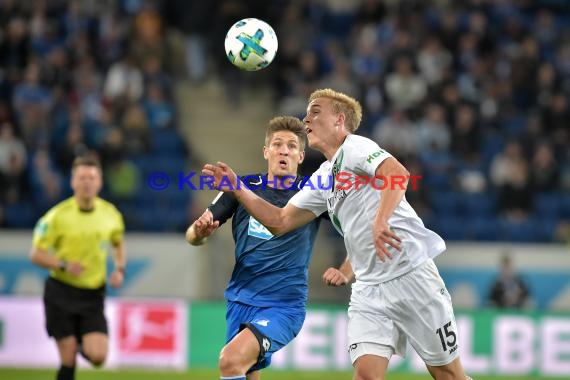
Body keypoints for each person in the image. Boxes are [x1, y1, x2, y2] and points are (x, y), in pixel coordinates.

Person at [203, 88, 473, 380]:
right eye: (306, 112)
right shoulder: (323, 177)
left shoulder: (355, 147)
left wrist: (381, 221)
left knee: (448, 375)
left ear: (339, 120)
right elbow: (279, 221)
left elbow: (397, 174)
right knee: (366, 376)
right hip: (369, 289)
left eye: (315, 111)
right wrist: (237, 188)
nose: (306, 118)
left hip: (409, 274)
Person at [186, 116, 333, 380]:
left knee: (230, 361)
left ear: (300, 156)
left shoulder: (313, 194)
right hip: (240, 299)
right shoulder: (241, 187)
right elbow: (193, 237)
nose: (283, 150)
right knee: (245, 371)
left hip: (284, 306)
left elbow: (354, 227)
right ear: (266, 151)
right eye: (277, 144)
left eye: (291, 146)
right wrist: (199, 231)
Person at [30, 156, 126, 380]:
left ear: (100, 181)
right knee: (68, 357)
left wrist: (119, 269)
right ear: (73, 181)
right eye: (82, 177)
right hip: (61, 291)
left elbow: (118, 243)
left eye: (91, 177)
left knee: (99, 356)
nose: (87, 182)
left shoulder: (111, 215)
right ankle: (73, 348)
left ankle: (83, 341)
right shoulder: (56, 216)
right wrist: (62, 264)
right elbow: (36, 254)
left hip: (93, 294)